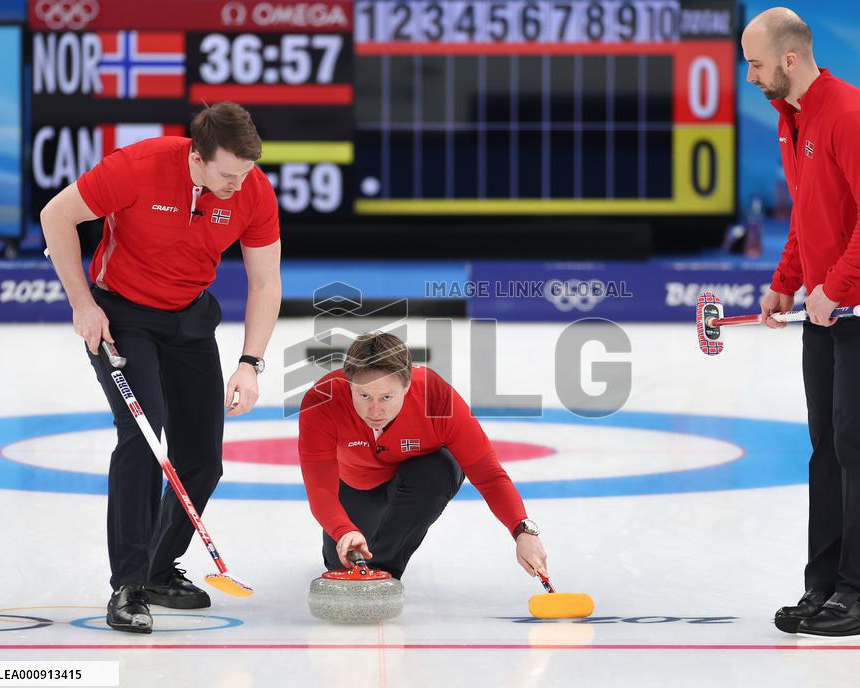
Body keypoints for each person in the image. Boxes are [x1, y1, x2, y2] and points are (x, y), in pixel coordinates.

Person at [41, 102, 282, 633]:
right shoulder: (137, 166)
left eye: (244, 174)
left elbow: (266, 282)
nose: (236, 185)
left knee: (202, 459)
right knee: (145, 439)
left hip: (189, 319)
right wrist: (83, 304)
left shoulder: (252, 188)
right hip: (122, 316)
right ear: (196, 157)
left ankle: (156, 568)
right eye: (226, 174)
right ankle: (127, 587)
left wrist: (250, 363)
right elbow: (56, 215)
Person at [742, 9, 860, 637]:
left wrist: (835, 287)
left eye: (756, 63)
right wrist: (785, 283)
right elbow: (807, 213)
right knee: (827, 450)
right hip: (828, 308)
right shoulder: (790, 120)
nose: (750, 76)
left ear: (789, 60)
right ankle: (823, 587)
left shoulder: (848, 115)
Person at [297, 332, 549, 585]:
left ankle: (383, 573)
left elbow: (489, 475)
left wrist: (521, 530)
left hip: (420, 478)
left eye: (386, 397)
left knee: (438, 469)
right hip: (358, 483)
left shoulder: (436, 397)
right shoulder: (322, 400)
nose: (375, 410)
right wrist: (344, 530)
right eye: (364, 396)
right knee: (339, 562)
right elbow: (320, 488)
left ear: (407, 385)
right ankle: (362, 554)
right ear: (349, 383)